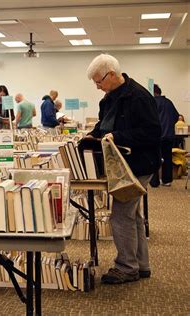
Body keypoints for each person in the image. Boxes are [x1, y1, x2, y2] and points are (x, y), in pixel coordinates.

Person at [86, 54, 161, 284]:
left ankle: (127, 267)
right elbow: (104, 124)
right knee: (132, 215)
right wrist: (94, 135)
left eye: (99, 81)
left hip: (138, 164)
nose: (98, 87)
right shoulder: (109, 98)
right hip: (123, 163)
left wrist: (117, 136)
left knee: (121, 215)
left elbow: (151, 132)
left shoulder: (138, 97)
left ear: (112, 74)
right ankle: (141, 265)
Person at [150, 84, 179, 187]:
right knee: (167, 158)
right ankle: (167, 180)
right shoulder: (169, 102)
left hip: (157, 136)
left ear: (153, 92)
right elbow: (176, 117)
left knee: (154, 158)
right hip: (169, 136)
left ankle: (154, 182)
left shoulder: (152, 102)